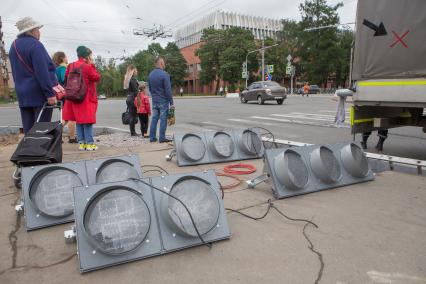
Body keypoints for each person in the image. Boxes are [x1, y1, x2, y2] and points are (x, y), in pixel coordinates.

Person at [9, 17, 57, 134]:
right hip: (39, 93)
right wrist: (49, 93)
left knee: (28, 129)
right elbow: (42, 71)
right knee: (41, 129)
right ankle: (39, 152)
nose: (39, 32)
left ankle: (29, 151)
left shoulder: (13, 46)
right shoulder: (36, 45)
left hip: (22, 93)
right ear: (31, 31)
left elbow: (15, 72)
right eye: (37, 29)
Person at [62, 46, 100, 151]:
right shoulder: (88, 66)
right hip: (86, 97)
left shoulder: (70, 65)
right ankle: (90, 143)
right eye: (90, 55)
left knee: (78, 120)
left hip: (73, 97)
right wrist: (92, 65)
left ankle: (81, 143)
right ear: (87, 56)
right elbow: (96, 77)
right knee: (87, 120)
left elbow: (65, 77)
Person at [52, 51, 77, 143]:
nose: (67, 58)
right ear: (62, 58)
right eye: (66, 56)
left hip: (60, 95)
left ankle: (58, 136)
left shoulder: (56, 68)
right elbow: (64, 78)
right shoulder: (63, 68)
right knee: (71, 117)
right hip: (66, 95)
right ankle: (72, 138)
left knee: (65, 118)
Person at [148, 57, 174, 143]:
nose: (164, 64)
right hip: (163, 101)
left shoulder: (150, 74)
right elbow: (168, 90)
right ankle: (162, 138)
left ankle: (152, 138)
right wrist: (171, 102)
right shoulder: (164, 74)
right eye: (164, 63)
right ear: (161, 63)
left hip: (155, 100)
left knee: (154, 119)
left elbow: (150, 89)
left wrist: (154, 97)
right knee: (163, 119)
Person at [123, 65, 139, 136]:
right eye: (135, 70)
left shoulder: (127, 79)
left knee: (131, 114)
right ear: (132, 70)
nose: (136, 71)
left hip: (128, 98)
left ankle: (132, 131)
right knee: (133, 115)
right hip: (133, 99)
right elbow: (136, 91)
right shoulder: (133, 80)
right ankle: (133, 132)